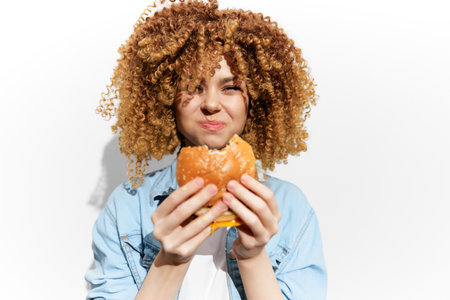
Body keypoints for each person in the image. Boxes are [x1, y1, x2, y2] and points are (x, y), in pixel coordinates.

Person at [86, 0, 327, 299]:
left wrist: (252, 256)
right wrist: (169, 262)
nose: (211, 104)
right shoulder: (125, 209)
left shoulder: (292, 209)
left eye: (230, 88)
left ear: (254, 102)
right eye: (192, 86)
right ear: (166, 98)